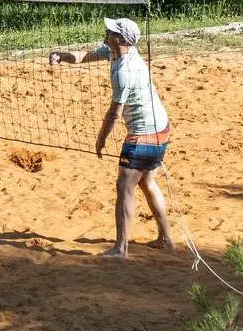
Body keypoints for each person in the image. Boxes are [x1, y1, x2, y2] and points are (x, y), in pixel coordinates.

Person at [49, 17, 175, 258]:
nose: (106, 32)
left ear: (122, 39)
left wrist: (101, 138)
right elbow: (86, 56)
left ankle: (120, 249)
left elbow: (115, 112)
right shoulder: (116, 52)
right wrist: (61, 55)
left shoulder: (126, 70)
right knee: (147, 182)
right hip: (161, 126)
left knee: (124, 185)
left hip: (144, 134)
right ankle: (166, 239)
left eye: (111, 31)